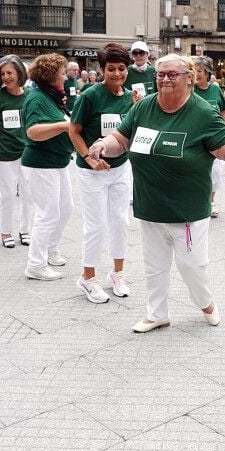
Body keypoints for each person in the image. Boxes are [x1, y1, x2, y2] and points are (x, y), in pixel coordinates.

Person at [87, 54, 225, 333]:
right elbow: (121, 140)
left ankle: (206, 303)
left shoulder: (203, 113)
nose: (165, 79)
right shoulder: (143, 107)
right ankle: (157, 313)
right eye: (160, 74)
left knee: (192, 266)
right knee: (155, 266)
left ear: (189, 79)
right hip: (151, 206)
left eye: (172, 74)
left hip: (187, 211)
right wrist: (102, 144)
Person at [68, 43, 135, 302]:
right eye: (111, 69)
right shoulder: (90, 95)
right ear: (101, 69)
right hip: (92, 171)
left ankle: (117, 273)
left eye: (121, 68)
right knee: (95, 226)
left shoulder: (131, 97)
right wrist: (88, 157)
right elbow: (73, 131)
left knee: (120, 221)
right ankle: (87, 278)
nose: (117, 74)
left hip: (121, 168)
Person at [20, 53, 77, 281]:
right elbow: (32, 131)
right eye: (62, 72)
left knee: (66, 208)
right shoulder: (37, 98)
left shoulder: (50, 95)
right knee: (47, 214)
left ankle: (50, 249)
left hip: (57, 161)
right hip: (42, 163)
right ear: (52, 74)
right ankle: (35, 264)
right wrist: (64, 126)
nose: (65, 76)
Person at [0, 55, 33, 249]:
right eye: (2, 74)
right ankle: (6, 232)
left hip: (28, 152)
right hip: (5, 152)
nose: (6, 77)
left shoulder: (30, 95)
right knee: (8, 194)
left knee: (28, 193)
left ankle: (25, 229)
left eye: (10, 73)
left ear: (19, 73)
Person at [192, 56, 225, 218]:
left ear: (207, 73)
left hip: (214, 137)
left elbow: (223, 111)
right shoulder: (189, 89)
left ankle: (211, 201)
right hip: (194, 136)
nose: (196, 74)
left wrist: (223, 131)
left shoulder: (215, 89)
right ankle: (195, 200)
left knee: (215, 171)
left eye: (199, 71)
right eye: (193, 70)